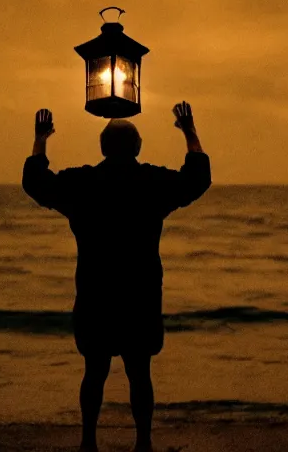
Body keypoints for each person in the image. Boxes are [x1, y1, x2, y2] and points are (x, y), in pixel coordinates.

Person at [22, 102, 211, 452]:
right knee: (140, 372)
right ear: (137, 148)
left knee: (95, 371)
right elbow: (198, 178)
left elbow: (36, 183)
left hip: (97, 293)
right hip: (139, 294)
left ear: (103, 148)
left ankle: (88, 442)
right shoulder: (151, 183)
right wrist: (188, 130)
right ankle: (142, 444)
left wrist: (40, 141)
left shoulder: (83, 184)